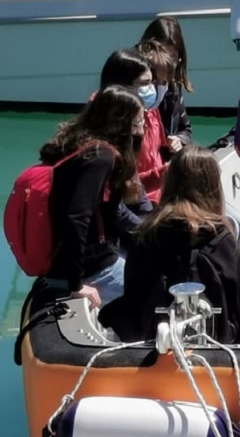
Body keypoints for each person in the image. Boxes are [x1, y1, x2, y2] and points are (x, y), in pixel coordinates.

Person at [100, 146, 240, 344]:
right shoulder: (222, 238)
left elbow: (133, 299)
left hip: (154, 344)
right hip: (215, 345)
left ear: (170, 182)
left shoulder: (146, 235)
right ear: (214, 186)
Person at [40, 85, 148, 309]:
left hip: (76, 259)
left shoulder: (78, 143)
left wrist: (152, 230)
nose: (140, 131)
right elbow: (76, 216)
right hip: (90, 268)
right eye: (137, 123)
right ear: (120, 122)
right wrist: (76, 284)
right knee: (157, 294)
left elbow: (114, 209)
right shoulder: (101, 157)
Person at [100, 48, 169, 201]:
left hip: (159, 195)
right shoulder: (105, 125)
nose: (151, 89)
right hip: (135, 202)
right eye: (144, 83)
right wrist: (165, 174)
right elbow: (119, 186)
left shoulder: (150, 112)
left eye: (152, 82)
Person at [139, 16, 194, 154]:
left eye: (174, 59)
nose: (168, 65)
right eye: (164, 58)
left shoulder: (174, 88)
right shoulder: (132, 88)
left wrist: (179, 140)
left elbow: (185, 130)